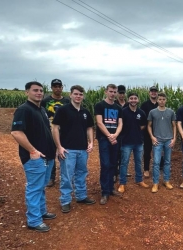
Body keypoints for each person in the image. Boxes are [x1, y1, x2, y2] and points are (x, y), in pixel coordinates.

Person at [11, 81, 57, 232]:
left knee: (41, 187)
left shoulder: (41, 109)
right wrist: (32, 151)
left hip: (47, 156)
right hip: (34, 158)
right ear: (27, 92)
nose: (39, 93)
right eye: (35, 90)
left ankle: (41, 212)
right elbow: (16, 132)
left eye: (41, 90)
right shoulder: (24, 110)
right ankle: (34, 220)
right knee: (35, 188)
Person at [52, 85, 96, 214]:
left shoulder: (85, 112)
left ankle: (81, 196)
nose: (78, 96)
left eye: (80, 94)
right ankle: (65, 201)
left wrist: (91, 142)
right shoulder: (63, 110)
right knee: (67, 176)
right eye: (76, 94)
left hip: (82, 149)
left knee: (81, 174)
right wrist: (59, 147)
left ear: (83, 96)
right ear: (70, 95)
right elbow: (55, 128)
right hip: (67, 150)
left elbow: (89, 128)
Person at [94, 84, 123, 205]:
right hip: (104, 139)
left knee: (113, 164)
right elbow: (99, 123)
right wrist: (109, 136)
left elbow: (120, 123)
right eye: (110, 91)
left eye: (114, 92)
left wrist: (115, 135)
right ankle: (104, 192)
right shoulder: (100, 105)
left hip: (115, 139)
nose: (112, 94)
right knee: (105, 164)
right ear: (106, 92)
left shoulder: (118, 107)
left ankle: (111, 188)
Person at [41, 79, 70, 187]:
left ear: (62, 88)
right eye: (55, 86)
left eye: (59, 86)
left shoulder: (67, 101)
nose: (57, 88)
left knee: (65, 154)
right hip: (50, 131)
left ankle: (65, 176)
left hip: (65, 132)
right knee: (50, 154)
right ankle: (51, 177)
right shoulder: (45, 101)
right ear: (51, 88)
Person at [118, 93, 149, 193]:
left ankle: (139, 180)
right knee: (124, 163)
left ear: (138, 100)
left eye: (135, 98)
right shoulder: (123, 112)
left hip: (138, 142)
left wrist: (136, 130)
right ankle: (122, 183)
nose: (133, 100)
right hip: (126, 142)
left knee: (138, 162)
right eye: (131, 98)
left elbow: (144, 125)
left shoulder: (141, 112)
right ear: (128, 100)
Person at [147, 92, 176, 193]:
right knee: (156, 162)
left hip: (168, 140)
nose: (162, 101)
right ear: (157, 100)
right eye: (160, 99)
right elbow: (149, 125)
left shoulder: (171, 112)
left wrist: (174, 138)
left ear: (166, 100)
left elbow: (174, 125)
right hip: (157, 141)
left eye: (163, 99)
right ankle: (155, 183)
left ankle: (166, 181)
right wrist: (152, 137)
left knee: (167, 162)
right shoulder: (152, 112)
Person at [140, 86, 159, 178]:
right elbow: (142, 118)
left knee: (159, 151)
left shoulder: (160, 104)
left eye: (155, 91)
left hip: (159, 131)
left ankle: (158, 167)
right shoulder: (144, 105)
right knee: (147, 151)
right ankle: (146, 169)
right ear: (149, 93)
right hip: (147, 132)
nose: (153, 93)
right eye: (152, 91)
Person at [114, 85, 130, 180]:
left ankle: (123, 171)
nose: (121, 95)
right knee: (116, 153)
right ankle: (115, 173)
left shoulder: (128, 104)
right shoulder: (114, 104)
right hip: (116, 132)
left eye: (123, 93)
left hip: (126, 133)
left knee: (124, 154)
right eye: (120, 93)